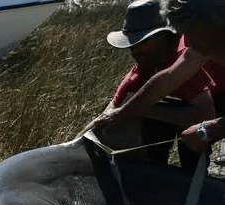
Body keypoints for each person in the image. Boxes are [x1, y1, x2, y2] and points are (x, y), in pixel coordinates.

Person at [91, 0, 225, 205]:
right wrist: (121, 114)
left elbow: (208, 115)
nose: (187, 42)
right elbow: (166, 78)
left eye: (192, 34)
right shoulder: (199, 41)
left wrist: (209, 129)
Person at [83, 0, 215, 169]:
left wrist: (142, 109)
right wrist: (72, 144)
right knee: (140, 115)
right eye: (131, 44)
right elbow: (109, 114)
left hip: (218, 102)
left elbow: (207, 115)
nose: (135, 51)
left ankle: (197, 185)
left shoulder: (185, 55)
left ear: (161, 36)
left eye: (142, 42)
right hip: (195, 109)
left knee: (191, 143)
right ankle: (154, 173)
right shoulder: (143, 68)